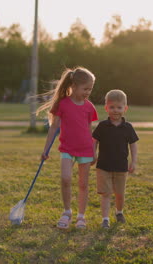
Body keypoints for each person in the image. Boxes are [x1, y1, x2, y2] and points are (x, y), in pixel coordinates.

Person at [37, 67, 98, 229]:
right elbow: (53, 127)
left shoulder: (89, 107)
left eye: (90, 89)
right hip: (67, 149)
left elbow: (89, 129)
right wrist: (45, 149)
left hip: (85, 149)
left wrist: (94, 151)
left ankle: (81, 216)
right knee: (65, 179)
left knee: (83, 184)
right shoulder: (62, 104)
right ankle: (67, 212)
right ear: (74, 86)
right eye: (85, 88)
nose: (88, 92)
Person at [92, 90, 139, 229]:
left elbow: (133, 145)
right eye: (112, 107)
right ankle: (105, 219)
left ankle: (119, 212)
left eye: (119, 107)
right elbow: (94, 141)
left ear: (125, 108)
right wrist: (93, 154)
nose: (115, 111)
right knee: (105, 194)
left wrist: (134, 161)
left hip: (121, 167)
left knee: (119, 194)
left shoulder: (128, 127)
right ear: (106, 108)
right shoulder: (102, 126)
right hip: (103, 166)